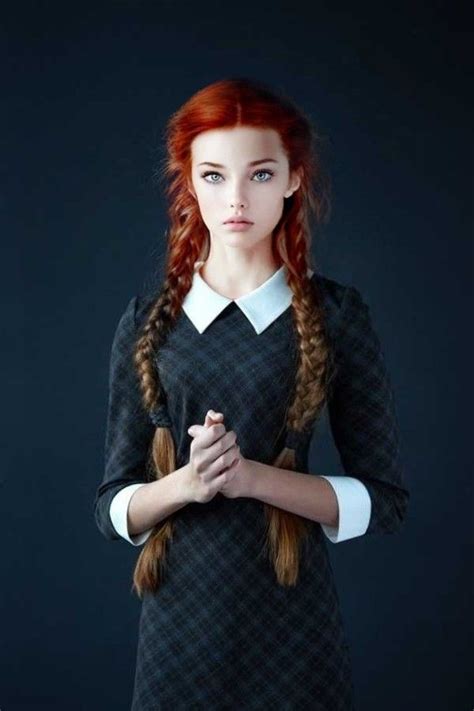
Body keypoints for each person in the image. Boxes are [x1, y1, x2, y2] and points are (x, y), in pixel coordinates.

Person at [93, 77, 410, 711]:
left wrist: (250, 478)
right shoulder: (148, 321)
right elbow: (110, 508)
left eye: (259, 175)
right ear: (188, 181)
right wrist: (188, 483)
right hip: (177, 638)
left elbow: (384, 500)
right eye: (213, 175)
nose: (236, 198)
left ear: (294, 178)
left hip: (296, 635)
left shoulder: (336, 315)